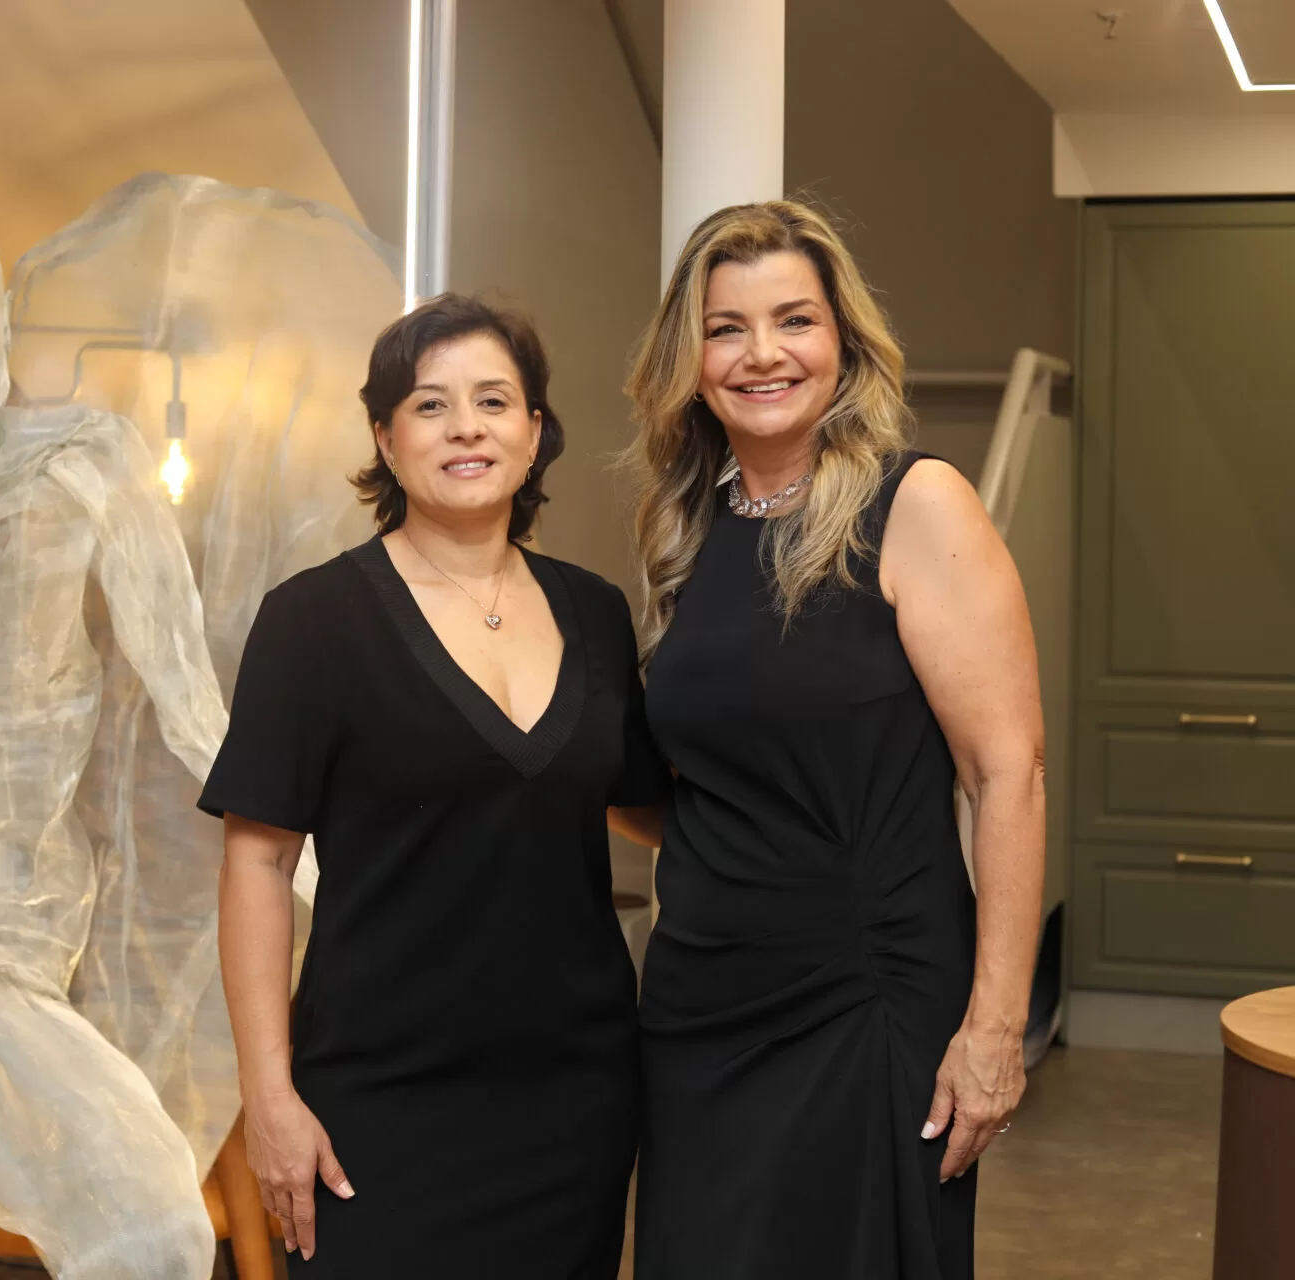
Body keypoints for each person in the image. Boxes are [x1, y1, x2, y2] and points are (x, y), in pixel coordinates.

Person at [618, 200, 1046, 1279]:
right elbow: (696, 786)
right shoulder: (686, 529)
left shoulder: (918, 505)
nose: (762, 353)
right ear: (690, 361)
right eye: (725, 328)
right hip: (701, 1004)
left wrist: (996, 1028)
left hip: (871, 994)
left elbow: (1007, 774)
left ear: (844, 342)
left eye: (794, 321)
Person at [202, 294, 665, 1275]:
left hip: (574, 1097)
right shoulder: (313, 621)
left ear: (534, 431)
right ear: (385, 436)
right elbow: (258, 862)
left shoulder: (594, 611)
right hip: (374, 1099)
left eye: (494, 401)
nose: (466, 427)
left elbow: (640, 805)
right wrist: (270, 1095)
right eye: (430, 404)